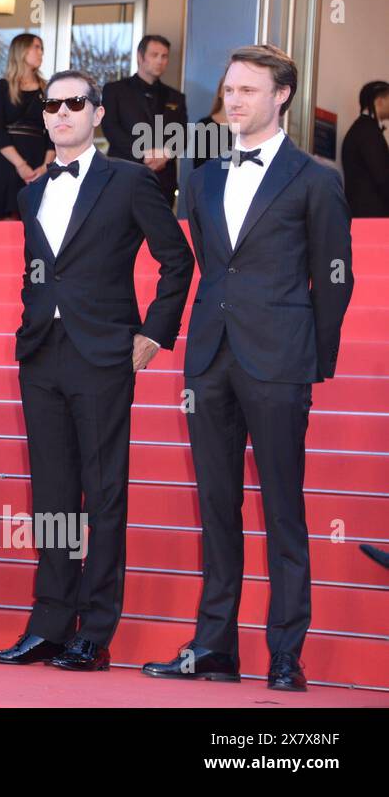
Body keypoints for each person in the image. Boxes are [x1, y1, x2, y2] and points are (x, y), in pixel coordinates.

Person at [142, 44, 354, 692]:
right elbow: (212, 265)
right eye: (229, 90)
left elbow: (334, 278)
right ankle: (214, 647)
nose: (233, 101)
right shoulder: (201, 177)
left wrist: (311, 359)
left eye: (248, 91)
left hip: (280, 360)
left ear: (281, 95)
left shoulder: (316, 178)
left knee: (283, 510)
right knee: (217, 506)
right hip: (209, 360)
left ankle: (287, 654)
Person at [0, 69, 193, 672]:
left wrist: (153, 333)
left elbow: (176, 260)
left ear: (97, 114)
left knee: (102, 494)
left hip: (102, 354)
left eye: (75, 103)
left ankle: (94, 633)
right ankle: (49, 623)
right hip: (41, 353)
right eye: (52, 104)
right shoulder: (30, 192)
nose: (62, 112)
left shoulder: (128, 181)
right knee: (52, 496)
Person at [101, 34, 187, 208]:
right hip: (123, 173)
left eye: (164, 56)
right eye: (154, 55)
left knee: (160, 233)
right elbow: (111, 129)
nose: (160, 61)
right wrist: (144, 154)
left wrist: (165, 154)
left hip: (163, 179)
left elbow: (182, 135)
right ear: (140, 57)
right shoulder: (114, 90)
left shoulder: (176, 97)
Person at [0, 33, 54, 219]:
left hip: (38, 161)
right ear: (22, 50)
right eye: (36, 47)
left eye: (41, 48)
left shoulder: (48, 89)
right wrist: (20, 165)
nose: (41, 52)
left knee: (36, 220)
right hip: (6, 162)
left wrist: (46, 166)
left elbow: (53, 131)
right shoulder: (1, 87)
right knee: (3, 223)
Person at [339, 80, 389, 217]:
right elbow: (383, 177)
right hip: (371, 219)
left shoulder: (362, 129)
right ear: (379, 101)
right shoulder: (368, 132)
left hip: (363, 216)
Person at [191, 76, 234, 170]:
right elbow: (199, 166)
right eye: (228, 88)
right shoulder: (204, 125)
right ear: (220, 92)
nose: (232, 93)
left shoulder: (245, 128)